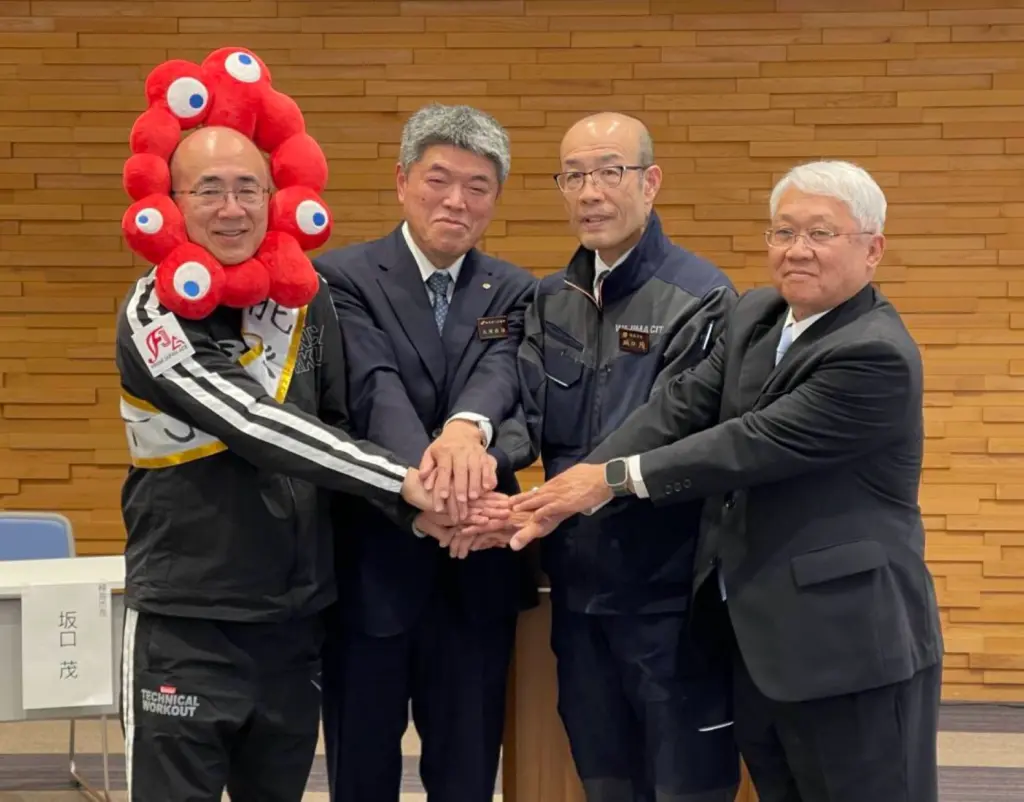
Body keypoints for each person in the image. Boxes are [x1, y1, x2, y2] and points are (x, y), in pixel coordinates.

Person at [113, 52, 506, 802]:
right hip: (189, 620)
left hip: (296, 621)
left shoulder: (304, 301)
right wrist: (410, 484)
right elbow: (255, 424)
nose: (232, 209)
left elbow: (336, 426)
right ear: (172, 201)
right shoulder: (153, 313)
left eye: (249, 189)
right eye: (209, 190)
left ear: (275, 196)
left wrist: (419, 516)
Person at [509, 160, 945, 802]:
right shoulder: (759, 315)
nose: (797, 249)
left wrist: (609, 482)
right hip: (760, 642)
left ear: (872, 249)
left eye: (821, 233)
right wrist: (576, 482)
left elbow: (745, 445)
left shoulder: (873, 353)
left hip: (852, 650)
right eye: (784, 232)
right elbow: (679, 406)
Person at [487, 111, 741, 802]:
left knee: (686, 785)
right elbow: (526, 416)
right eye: (573, 176)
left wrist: (578, 486)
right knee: (604, 778)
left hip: (668, 596)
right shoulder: (552, 298)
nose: (590, 192)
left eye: (608, 172)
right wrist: (480, 462)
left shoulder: (702, 297)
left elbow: (675, 425)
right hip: (577, 591)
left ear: (650, 183)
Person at [313, 103, 538, 802]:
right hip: (372, 564)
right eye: (439, 179)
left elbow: (513, 394)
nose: (456, 201)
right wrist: (433, 491)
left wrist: (469, 431)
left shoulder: (518, 291)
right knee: (361, 774)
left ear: (495, 198)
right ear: (402, 180)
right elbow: (370, 389)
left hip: (477, 569)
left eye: (478, 186)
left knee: (468, 775)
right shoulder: (341, 277)